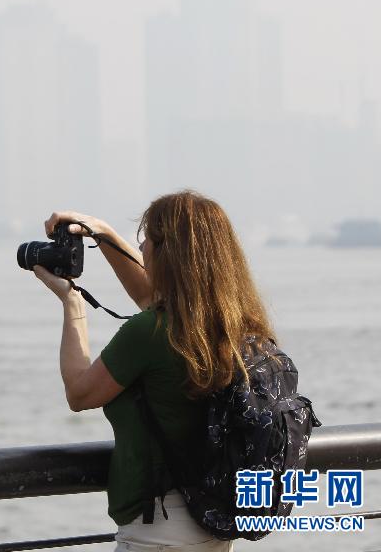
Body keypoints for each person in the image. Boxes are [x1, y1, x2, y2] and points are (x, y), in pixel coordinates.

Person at [33, 190, 274, 552]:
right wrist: (103, 233)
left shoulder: (152, 332)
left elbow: (80, 393)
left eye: (147, 240)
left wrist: (72, 304)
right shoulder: (237, 327)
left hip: (159, 532)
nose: (141, 248)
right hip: (213, 523)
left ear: (170, 254)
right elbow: (150, 298)